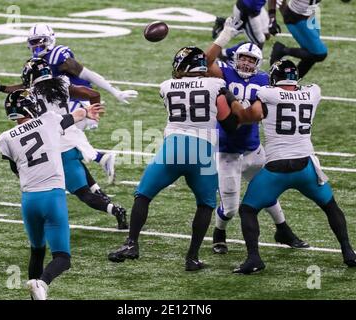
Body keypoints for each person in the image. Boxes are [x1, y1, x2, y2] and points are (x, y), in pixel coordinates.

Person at [108, 46, 241, 271]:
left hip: (174, 147)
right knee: (206, 204)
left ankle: (131, 244)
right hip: (203, 151)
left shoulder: (166, 86)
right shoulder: (217, 85)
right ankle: (192, 257)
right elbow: (230, 120)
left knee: (143, 194)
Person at [225, 59, 356, 274]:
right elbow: (300, 89)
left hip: (276, 169)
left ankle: (254, 258)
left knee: (248, 210)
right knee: (331, 206)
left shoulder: (266, 94)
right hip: (305, 166)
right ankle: (348, 252)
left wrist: (230, 97)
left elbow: (245, 117)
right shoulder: (313, 92)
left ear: (275, 79)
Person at [0, 23, 138, 183]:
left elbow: (89, 75)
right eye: (34, 42)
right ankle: (100, 162)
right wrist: (1, 88)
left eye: (41, 40)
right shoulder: (37, 63)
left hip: (77, 102)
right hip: (63, 102)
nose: (37, 45)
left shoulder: (58, 56)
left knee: (54, 138)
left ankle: (88, 181)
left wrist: (115, 92)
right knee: (59, 140)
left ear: (50, 39)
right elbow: (30, 86)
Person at [0, 89, 104, 299]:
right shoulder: (48, 121)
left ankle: (35, 294)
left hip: (29, 200)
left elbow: (15, 169)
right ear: (30, 106)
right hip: (53, 197)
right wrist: (87, 110)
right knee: (62, 258)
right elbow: (73, 117)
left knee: (37, 252)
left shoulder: (5, 138)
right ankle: (43, 283)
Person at [205, 39, 308, 253]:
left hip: (253, 149)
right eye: (242, 58)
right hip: (227, 152)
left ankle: (283, 230)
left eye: (250, 60)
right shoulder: (224, 74)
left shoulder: (265, 81)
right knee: (231, 208)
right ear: (235, 59)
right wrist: (223, 37)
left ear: (258, 63)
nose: (245, 63)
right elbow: (207, 63)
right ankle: (219, 232)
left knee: (267, 193)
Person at [21, 58, 128, 229]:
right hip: (75, 140)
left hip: (59, 147)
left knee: (83, 194)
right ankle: (111, 201)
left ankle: (115, 210)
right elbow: (92, 94)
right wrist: (95, 114)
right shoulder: (62, 84)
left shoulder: (30, 95)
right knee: (88, 183)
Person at [268, 0, 328, 79]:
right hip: (297, 17)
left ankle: (292, 82)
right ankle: (282, 50)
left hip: (310, 15)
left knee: (311, 54)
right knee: (319, 54)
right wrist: (272, 18)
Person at [212, 0, 280, 49]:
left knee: (266, 35)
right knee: (259, 42)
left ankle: (225, 24)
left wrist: (272, 18)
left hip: (257, 9)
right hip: (247, 11)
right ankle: (226, 53)